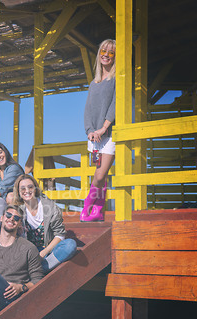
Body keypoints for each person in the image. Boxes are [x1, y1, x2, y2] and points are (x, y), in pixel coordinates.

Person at [81, 38, 116, 222]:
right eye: (103, 51)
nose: (106, 55)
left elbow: (115, 105)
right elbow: (88, 108)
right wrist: (90, 130)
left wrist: (103, 128)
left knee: (100, 174)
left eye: (111, 52)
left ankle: (87, 204)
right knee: (100, 176)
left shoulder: (116, 80)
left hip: (108, 134)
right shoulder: (93, 83)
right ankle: (98, 211)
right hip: (93, 137)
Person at [13, 174, 77, 272]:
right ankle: (38, 268)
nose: (27, 191)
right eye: (23, 188)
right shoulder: (18, 210)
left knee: (70, 245)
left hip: (49, 251)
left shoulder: (50, 207)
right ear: (18, 192)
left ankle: (41, 269)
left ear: (35, 188)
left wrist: (44, 253)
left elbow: (60, 234)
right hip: (30, 254)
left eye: (30, 187)